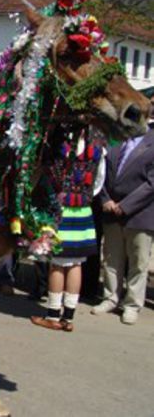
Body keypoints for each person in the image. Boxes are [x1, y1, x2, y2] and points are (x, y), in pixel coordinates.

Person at [31, 127, 105, 332]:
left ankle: (53, 314)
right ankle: (69, 317)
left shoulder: (59, 143)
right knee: (75, 264)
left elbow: (45, 174)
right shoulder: (98, 144)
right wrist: (84, 196)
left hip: (60, 209)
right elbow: (99, 181)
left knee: (57, 264)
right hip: (82, 209)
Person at [92, 127, 154, 325]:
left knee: (138, 262)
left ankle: (132, 305)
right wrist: (105, 199)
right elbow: (100, 174)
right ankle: (110, 298)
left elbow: (151, 184)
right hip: (111, 212)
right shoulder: (115, 140)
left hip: (139, 214)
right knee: (111, 259)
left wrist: (126, 206)